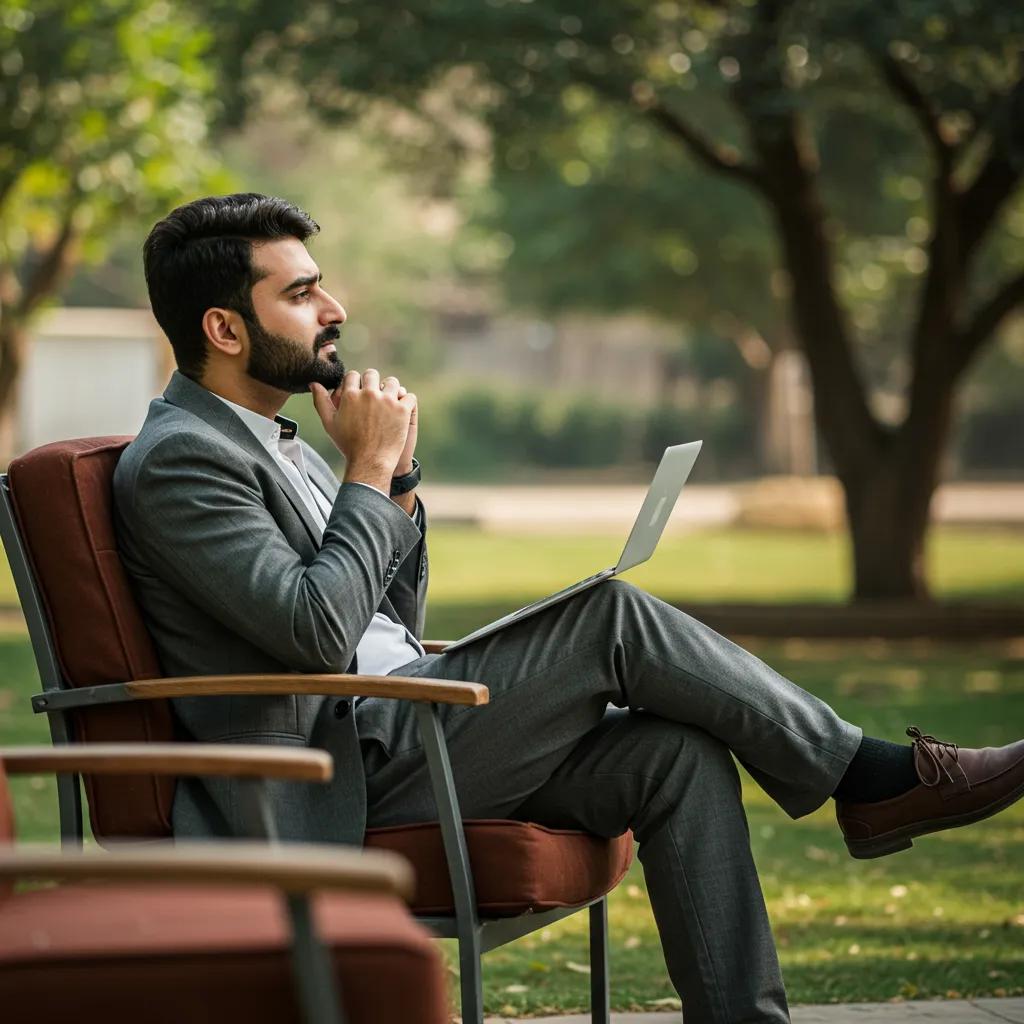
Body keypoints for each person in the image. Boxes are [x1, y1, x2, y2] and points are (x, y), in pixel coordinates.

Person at [113, 193, 1024, 1024]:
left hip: (406, 721)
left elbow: (385, 615)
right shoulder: (183, 460)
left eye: (322, 286)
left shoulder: (278, 440)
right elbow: (315, 634)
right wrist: (368, 468)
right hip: (339, 770)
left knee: (674, 754)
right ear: (224, 328)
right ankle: (869, 778)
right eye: (302, 292)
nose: (334, 307)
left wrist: (397, 479)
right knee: (609, 616)